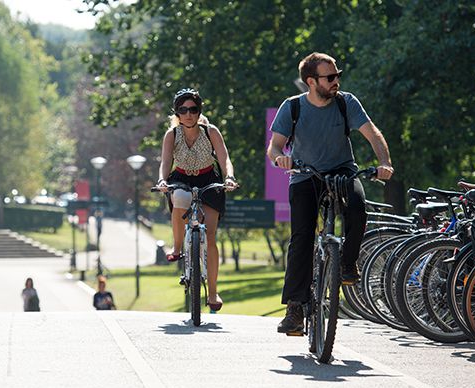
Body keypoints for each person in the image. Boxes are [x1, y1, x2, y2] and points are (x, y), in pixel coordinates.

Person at [267, 52, 394, 334]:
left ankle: (347, 263)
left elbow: (372, 133)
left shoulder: (346, 103)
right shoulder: (292, 108)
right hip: (305, 174)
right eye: (330, 77)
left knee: (358, 209)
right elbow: (274, 147)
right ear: (311, 81)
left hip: (342, 171)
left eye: (338, 75)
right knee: (301, 237)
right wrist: (280, 158)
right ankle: (295, 309)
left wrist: (384, 162)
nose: (337, 81)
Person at [156, 88, 238, 312]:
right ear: (177, 113)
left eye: (193, 109)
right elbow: (165, 162)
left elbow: (224, 158)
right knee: (179, 198)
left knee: (210, 237)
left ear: (199, 111)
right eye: (183, 110)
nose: (188, 114)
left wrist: (229, 177)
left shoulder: (210, 131)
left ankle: (212, 293)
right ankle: (177, 246)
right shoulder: (172, 135)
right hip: (181, 177)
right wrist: (162, 180)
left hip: (208, 178)